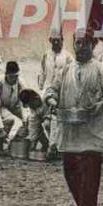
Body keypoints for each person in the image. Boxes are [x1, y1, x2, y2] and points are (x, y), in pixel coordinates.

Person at [44, 30, 103, 206]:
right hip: (70, 128)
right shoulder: (66, 69)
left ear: (91, 45)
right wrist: (51, 101)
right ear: (74, 44)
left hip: (92, 129)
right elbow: (52, 89)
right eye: (77, 43)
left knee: (90, 173)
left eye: (85, 43)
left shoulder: (100, 69)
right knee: (70, 171)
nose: (81, 47)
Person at [38, 31, 74, 159]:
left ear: (62, 40)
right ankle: (51, 144)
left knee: (58, 119)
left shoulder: (68, 56)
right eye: (54, 40)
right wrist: (41, 86)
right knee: (47, 123)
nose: (56, 42)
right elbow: (42, 71)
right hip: (47, 91)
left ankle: (57, 147)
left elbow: (72, 75)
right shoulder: (46, 55)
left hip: (62, 92)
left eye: (58, 40)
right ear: (50, 40)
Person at [0, 61, 30, 155]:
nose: (14, 79)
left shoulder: (20, 83)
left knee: (29, 120)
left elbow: (25, 104)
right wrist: (0, 128)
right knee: (9, 120)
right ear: (6, 74)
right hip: (0, 106)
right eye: (11, 76)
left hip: (14, 104)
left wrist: (25, 120)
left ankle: (14, 143)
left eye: (16, 76)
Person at [19, 88, 50, 152]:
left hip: (55, 117)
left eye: (31, 104)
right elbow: (34, 127)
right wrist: (32, 143)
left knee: (48, 124)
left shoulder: (47, 100)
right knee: (33, 125)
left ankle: (56, 148)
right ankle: (45, 144)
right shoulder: (34, 107)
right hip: (43, 116)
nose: (31, 107)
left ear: (37, 98)